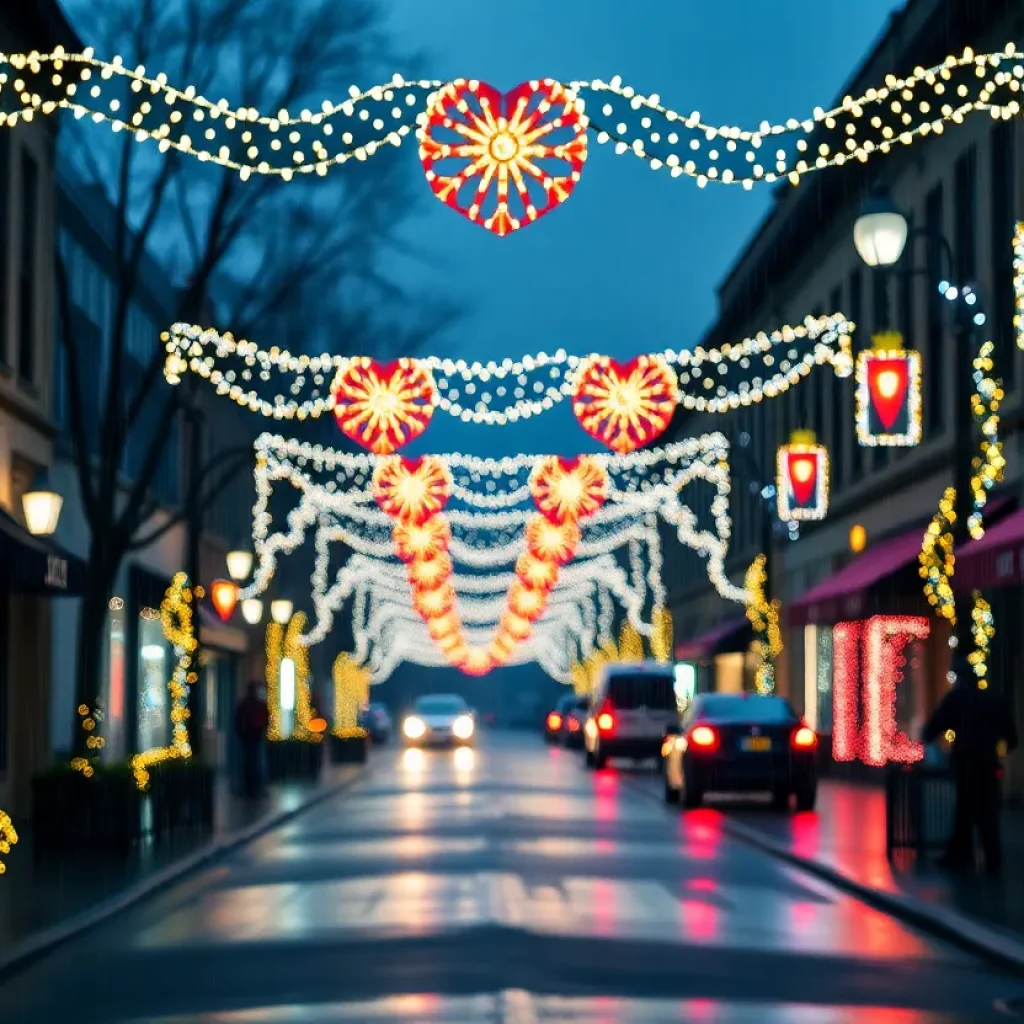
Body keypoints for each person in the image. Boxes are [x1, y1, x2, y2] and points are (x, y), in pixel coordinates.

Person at [922, 652, 1018, 873]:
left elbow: (932, 729)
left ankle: (960, 853)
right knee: (987, 812)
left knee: (965, 809)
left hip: (965, 764)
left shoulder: (956, 700)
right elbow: (1012, 738)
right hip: (988, 764)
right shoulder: (993, 701)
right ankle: (991, 857)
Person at [235, 682, 269, 797]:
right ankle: (254, 786)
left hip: (250, 737)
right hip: (254, 736)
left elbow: (238, 720)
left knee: (250, 761)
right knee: (254, 761)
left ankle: (251, 786)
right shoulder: (256, 704)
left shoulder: (246, 704)